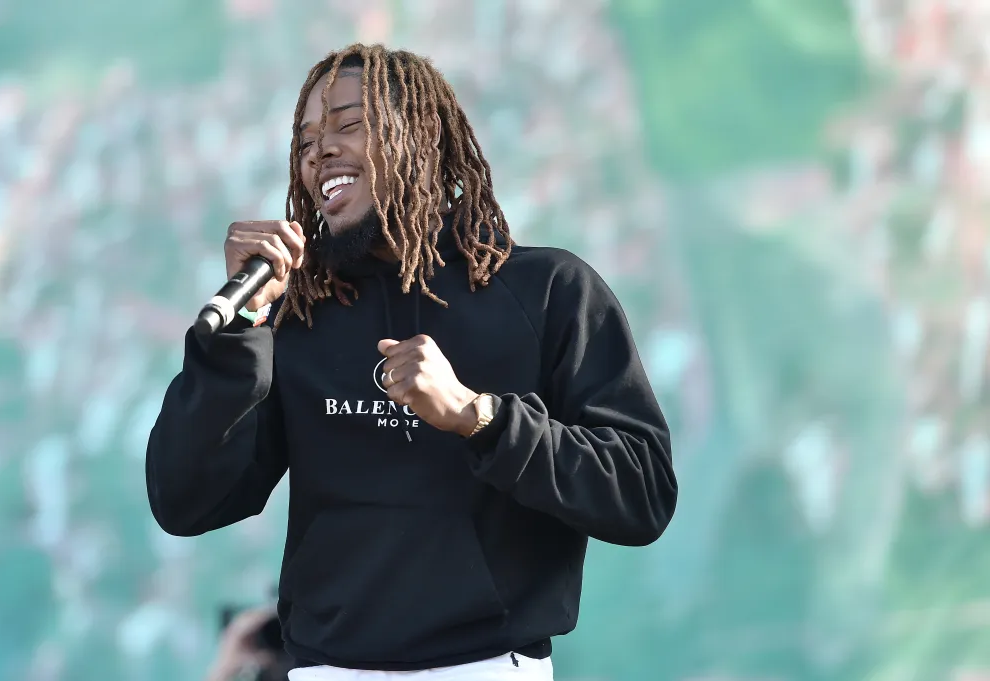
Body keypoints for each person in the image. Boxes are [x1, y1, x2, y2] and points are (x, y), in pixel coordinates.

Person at [146, 43, 677, 680]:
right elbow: (186, 503)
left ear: (420, 138)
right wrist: (238, 335)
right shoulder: (294, 315)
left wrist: (480, 418)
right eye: (306, 140)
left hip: (484, 667)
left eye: (347, 124)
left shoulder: (549, 291)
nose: (320, 152)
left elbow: (642, 492)